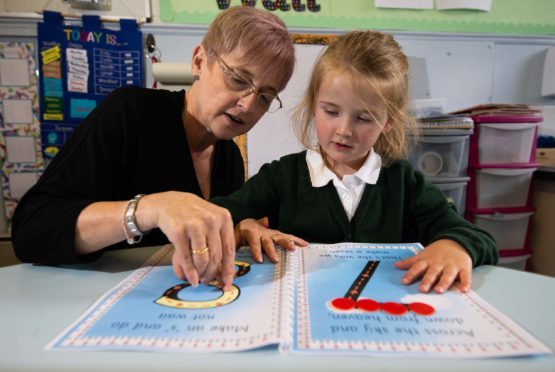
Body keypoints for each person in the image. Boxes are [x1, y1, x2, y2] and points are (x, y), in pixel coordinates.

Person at [11, 6, 296, 290]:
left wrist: (241, 228)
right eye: (237, 78)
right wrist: (147, 209)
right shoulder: (130, 114)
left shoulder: (229, 157)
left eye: (265, 97)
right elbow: (31, 231)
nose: (247, 105)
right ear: (199, 61)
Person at [212, 30, 498, 294]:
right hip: (300, 311)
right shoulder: (282, 176)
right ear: (314, 105)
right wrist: (245, 224)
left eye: (363, 118)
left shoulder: (404, 183)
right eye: (331, 111)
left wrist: (454, 246)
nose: (344, 130)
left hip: (382, 312)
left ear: (389, 122)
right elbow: (219, 214)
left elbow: (475, 236)